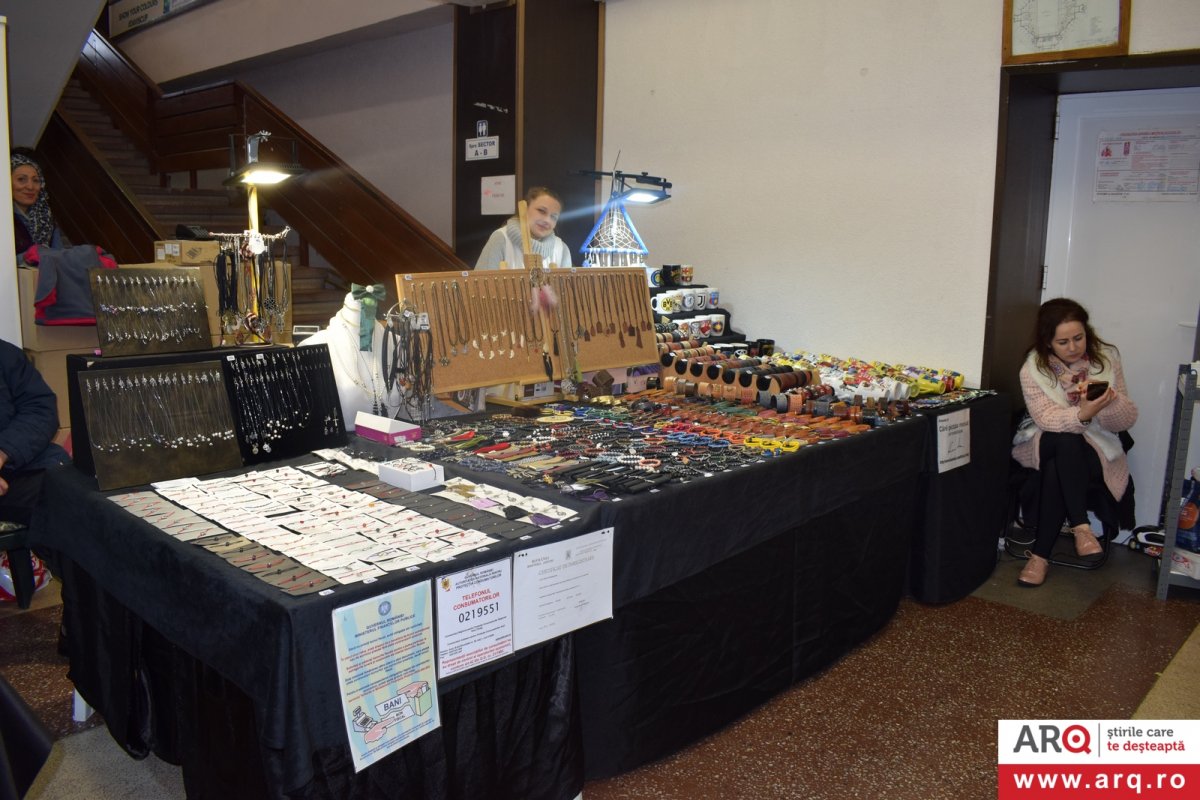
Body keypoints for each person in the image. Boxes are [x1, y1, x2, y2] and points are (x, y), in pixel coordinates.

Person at [1011, 298, 1138, 587]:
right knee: (1065, 440)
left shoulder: (1106, 360)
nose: (1073, 347)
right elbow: (1046, 419)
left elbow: (1126, 421)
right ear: (1048, 342)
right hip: (1044, 439)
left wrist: (1109, 402)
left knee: (1058, 467)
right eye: (1063, 342)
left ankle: (1040, 557)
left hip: (1094, 446)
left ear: (1087, 332)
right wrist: (1083, 414)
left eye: (1079, 338)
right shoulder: (1034, 368)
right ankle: (1081, 527)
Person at [1, 338, 70, 526]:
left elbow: (41, 410)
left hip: (18, 467)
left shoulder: (6, 355)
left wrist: (3, 452)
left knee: (72, 494)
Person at [475, 186, 572, 270]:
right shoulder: (500, 238)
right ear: (525, 208)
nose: (547, 220)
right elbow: (481, 284)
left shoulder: (562, 249)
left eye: (553, 217)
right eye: (541, 211)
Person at [11, 148, 66, 258]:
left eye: (36, 180)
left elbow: (60, 258)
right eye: (21, 179)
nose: (30, 187)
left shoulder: (47, 219)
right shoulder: (4, 219)